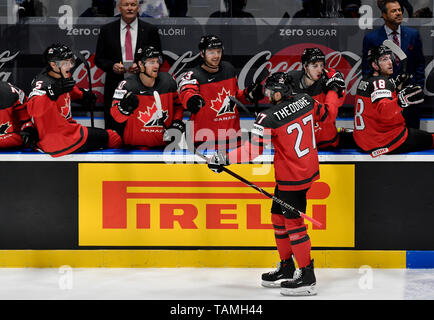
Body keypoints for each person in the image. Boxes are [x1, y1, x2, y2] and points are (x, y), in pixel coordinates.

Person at [207, 72, 327, 296]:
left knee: (294, 225)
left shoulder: (267, 117)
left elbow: (252, 151)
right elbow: (325, 114)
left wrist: (223, 158)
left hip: (293, 176)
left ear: (280, 93)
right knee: (277, 216)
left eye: (271, 92)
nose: (267, 95)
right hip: (305, 170)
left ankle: (307, 276)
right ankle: (287, 266)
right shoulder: (307, 99)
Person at [26, 43, 122, 157]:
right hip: (59, 138)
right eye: (66, 63)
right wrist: (52, 94)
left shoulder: (62, 75)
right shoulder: (43, 84)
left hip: (68, 130)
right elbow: (34, 109)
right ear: (53, 65)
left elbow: (69, 89)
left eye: (71, 61)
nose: (70, 66)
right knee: (113, 137)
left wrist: (82, 95)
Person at [177, 34, 263, 150]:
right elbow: (187, 91)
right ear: (202, 54)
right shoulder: (193, 75)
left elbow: (233, 96)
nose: (216, 56)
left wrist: (249, 94)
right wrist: (191, 99)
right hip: (205, 142)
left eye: (218, 51)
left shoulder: (229, 69)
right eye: (211, 52)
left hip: (233, 141)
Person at [354, 45, 433, 156]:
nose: (390, 62)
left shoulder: (366, 80)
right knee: (430, 139)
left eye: (389, 58)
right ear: (375, 65)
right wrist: (401, 101)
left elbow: (380, 93)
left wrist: (396, 81)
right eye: (384, 59)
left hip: (364, 140)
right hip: (384, 141)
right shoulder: (381, 82)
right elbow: (384, 111)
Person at [95, 0, 161, 132]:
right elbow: (99, 59)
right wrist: (112, 66)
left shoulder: (150, 30)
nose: (129, 8)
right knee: (114, 128)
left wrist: (143, 67)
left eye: (133, 5)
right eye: (126, 5)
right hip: (114, 84)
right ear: (119, 8)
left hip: (143, 84)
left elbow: (159, 58)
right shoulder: (107, 30)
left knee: (140, 124)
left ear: (138, 8)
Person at [362, 0, 425, 129]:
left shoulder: (413, 35)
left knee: (412, 139)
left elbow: (420, 64)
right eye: (393, 11)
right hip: (384, 99)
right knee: (389, 137)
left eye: (399, 10)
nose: (398, 13)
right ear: (384, 15)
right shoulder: (372, 38)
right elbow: (367, 69)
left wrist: (418, 86)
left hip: (409, 99)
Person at [110, 46, 185, 149]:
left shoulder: (168, 81)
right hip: (135, 150)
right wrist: (124, 107)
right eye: (151, 62)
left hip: (164, 149)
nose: (156, 66)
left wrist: (177, 122)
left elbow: (178, 106)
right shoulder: (126, 85)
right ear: (140, 64)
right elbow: (115, 115)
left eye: (157, 61)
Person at [288, 47, 353, 149]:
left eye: (321, 65)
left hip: (326, 143)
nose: (319, 69)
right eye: (315, 66)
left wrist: (335, 89)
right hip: (300, 145)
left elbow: (335, 108)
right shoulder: (291, 79)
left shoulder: (328, 79)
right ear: (305, 67)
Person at [0, 81, 38, 150]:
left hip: (14, 145)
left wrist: (27, 130)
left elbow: (27, 123)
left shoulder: (11, 92)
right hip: (13, 140)